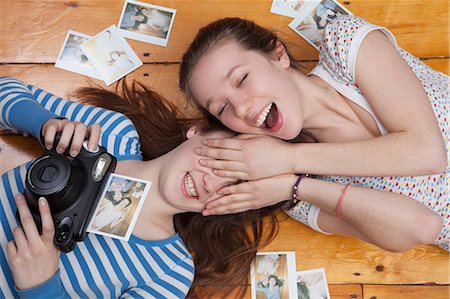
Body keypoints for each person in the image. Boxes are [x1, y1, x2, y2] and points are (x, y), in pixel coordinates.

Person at [178, 15, 449, 251]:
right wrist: (294, 186)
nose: (241, 108)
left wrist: (290, 158)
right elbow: (424, 226)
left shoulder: (345, 46)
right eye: (222, 108)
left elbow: (428, 153)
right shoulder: (294, 191)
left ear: (277, 55)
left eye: (242, 79)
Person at [0, 77, 283, 298]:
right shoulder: (112, 133)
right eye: (220, 159)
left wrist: (41, 287)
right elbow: (6, 90)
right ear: (197, 131)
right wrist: (46, 123)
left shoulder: (170, 271)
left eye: (233, 186)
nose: (211, 182)